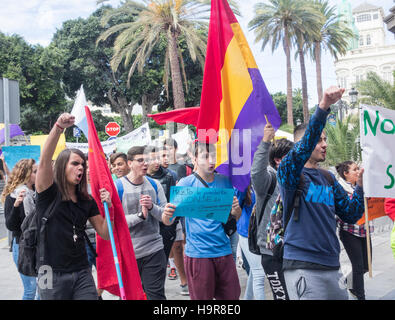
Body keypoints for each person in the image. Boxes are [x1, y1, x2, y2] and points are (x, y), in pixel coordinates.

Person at [277, 86, 365, 300]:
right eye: (319, 140)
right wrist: (324, 107)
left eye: (325, 139)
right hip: (302, 266)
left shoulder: (328, 178)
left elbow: (352, 214)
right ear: (302, 145)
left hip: (332, 267)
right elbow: (305, 145)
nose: (324, 144)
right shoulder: (289, 173)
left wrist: (361, 187)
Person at [35, 113, 112, 300]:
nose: (81, 168)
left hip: (82, 270)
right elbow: (45, 161)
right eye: (75, 164)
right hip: (48, 271)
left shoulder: (87, 200)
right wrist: (59, 128)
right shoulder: (48, 193)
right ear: (61, 166)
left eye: (83, 165)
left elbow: (105, 233)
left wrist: (109, 208)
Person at [162, 141, 242, 300]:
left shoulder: (225, 182)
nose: (211, 161)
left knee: (232, 296)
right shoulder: (186, 184)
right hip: (198, 254)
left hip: (223, 251)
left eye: (213, 156)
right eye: (205, 156)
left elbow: (233, 218)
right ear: (195, 159)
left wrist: (236, 211)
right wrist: (166, 213)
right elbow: (168, 221)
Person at [116, 145, 169, 300]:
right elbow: (114, 224)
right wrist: (139, 216)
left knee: (156, 296)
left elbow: (165, 216)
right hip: (128, 253)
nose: (145, 164)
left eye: (147, 160)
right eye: (140, 160)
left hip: (154, 249)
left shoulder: (154, 184)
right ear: (129, 163)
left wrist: (152, 207)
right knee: (129, 296)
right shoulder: (118, 186)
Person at [251, 122, 294, 300]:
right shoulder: (269, 179)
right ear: (278, 160)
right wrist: (266, 141)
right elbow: (256, 173)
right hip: (272, 251)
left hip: (294, 249)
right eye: (292, 156)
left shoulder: (297, 180)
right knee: (282, 297)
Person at [335, 161, 373, 300]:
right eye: (355, 169)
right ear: (346, 174)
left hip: (364, 230)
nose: (358, 172)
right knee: (358, 266)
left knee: (366, 266)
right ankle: (360, 296)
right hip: (349, 232)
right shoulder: (340, 189)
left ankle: (350, 283)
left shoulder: (362, 186)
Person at [2, 159, 39, 300]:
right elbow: (11, 226)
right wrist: (17, 205)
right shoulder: (14, 195)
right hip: (23, 246)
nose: (38, 174)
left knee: (44, 288)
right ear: (27, 174)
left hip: (39, 246)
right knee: (31, 289)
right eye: (35, 172)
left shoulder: (38, 193)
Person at [235, 183, 265, 300]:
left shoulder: (267, 177)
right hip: (246, 233)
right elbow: (236, 209)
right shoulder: (242, 184)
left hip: (262, 233)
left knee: (255, 270)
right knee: (259, 273)